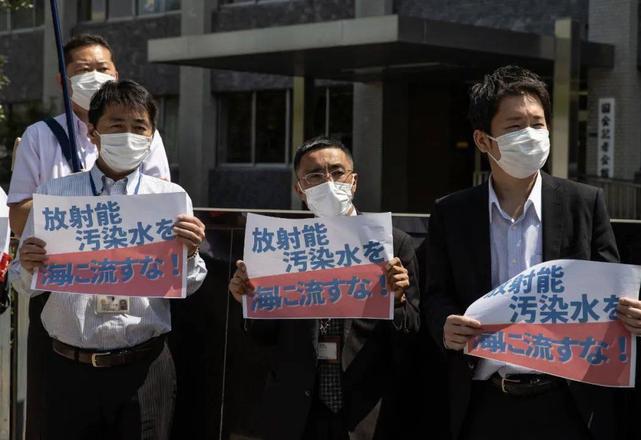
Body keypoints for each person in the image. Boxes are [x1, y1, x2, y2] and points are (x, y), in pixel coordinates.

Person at [424, 65, 641, 440]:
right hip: (484, 402)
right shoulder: (452, 213)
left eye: (537, 123)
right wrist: (444, 326)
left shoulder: (584, 202)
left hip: (567, 401)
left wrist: (636, 319)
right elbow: (435, 293)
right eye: (515, 126)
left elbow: (612, 297)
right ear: (483, 141)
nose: (530, 135)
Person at [10, 80, 207, 439]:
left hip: (144, 369)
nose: (128, 136)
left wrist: (190, 253)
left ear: (152, 137)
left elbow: (188, 286)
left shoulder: (170, 198)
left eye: (139, 128)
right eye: (117, 125)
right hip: (68, 370)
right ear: (93, 131)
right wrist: (28, 263)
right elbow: (21, 281)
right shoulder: (55, 195)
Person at [228, 137, 420, 440]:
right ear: (299, 189)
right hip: (296, 411)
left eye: (337, 172)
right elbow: (263, 338)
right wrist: (249, 300)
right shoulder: (280, 246)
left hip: (365, 412)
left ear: (353, 182)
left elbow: (412, 335)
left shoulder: (392, 245)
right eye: (315, 176)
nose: (328, 182)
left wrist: (397, 300)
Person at [8, 33, 171, 236]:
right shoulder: (38, 136)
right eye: (84, 70)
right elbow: (19, 215)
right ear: (62, 80)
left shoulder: (145, 135)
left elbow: (162, 202)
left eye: (103, 69)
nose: (96, 76)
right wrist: (85, 213)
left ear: (115, 77)